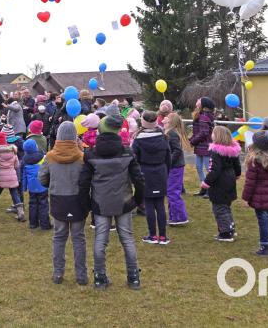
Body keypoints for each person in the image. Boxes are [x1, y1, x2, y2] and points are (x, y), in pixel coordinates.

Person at [79, 114, 144, 290]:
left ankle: (100, 277)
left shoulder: (91, 153)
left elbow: (83, 182)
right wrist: (138, 200)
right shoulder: (127, 152)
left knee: (101, 240)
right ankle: (133, 277)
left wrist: (86, 204)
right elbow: (139, 179)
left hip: (101, 202)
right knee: (127, 239)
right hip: (123, 201)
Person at [40, 121, 88, 285]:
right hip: (77, 200)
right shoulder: (82, 157)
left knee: (59, 238)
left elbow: (42, 178)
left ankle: (58, 273)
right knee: (78, 238)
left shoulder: (50, 156)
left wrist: (52, 184)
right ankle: (81, 275)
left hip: (58, 199)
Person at [242, 130, 268, 256]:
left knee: (263, 221)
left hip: (261, 198)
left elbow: (250, 182)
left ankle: (264, 247)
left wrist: (245, 198)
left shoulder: (254, 162)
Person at [132, 111, 172, 245]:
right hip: (160, 171)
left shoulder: (138, 140)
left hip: (146, 172)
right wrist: (166, 171)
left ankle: (153, 235)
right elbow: (168, 158)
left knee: (149, 204)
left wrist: (136, 175)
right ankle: (161, 236)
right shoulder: (163, 137)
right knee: (159, 204)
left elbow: (134, 160)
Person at [202, 126, 241, 242]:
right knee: (226, 206)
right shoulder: (233, 150)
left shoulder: (216, 152)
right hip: (230, 179)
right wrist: (237, 175)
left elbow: (215, 170)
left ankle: (225, 233)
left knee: (219, 208)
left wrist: (206, 182)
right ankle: (230, 228)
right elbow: (237, 166)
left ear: (217, 136)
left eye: (213, 133)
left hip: (220, 182)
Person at [162, 113, 190, 226]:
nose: (164, 119)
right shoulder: (169, 132)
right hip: (173, 167)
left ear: (171, 122)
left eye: (166, 118)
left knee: (173, 192)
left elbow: (177, 150)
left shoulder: (172, 133)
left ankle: (180, 217)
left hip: (175, 167)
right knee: (170, 192)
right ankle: (174, 216)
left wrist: (168, 162)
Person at [0, 131, 24, 222]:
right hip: (12, 176)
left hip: (1, 176)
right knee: (14, 194)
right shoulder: (13, 151)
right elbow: (17, 165)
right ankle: (21, 212)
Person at [21, 139, 51, 231]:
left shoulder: (24, 160)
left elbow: (24, 175)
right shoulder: (43, 157)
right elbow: (47, 171)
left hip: (32, 187)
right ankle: (45, 225)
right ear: (35, 147)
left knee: (32, 204)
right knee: (43, 204)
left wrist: (24, 187)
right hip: (42, 185)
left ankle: (33, 223)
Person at [189, 97, 216, 196]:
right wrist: (190, 140)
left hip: (206, 147)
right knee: (199, 168)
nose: (196, 102)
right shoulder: (200, 115)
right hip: (200, 146)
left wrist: (192, 142)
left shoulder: (204, 117)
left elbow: (204, 133)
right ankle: (204, 189)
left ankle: (210, 190)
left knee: (208, 169)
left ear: (203, 105)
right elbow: (197, 132)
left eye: (199, 101)